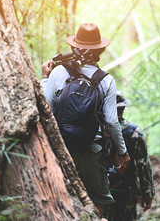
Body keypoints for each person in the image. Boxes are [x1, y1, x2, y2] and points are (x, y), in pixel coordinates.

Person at [41, 22, 130, 218]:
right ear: (99, 51)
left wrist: (45, 78)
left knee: (63, 198)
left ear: (74, 47)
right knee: (97, 200)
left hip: (61, 148)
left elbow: (46, 109)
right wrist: (122, 152)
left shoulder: (58, 72)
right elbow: (111, 122)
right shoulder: (106, 80)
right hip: (93, 149)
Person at [103, 91, 155, 221]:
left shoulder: (98, 130)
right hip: (127, 192)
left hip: (102, 191)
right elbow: (143, 166)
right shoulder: (135, 133)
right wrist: (147, 193)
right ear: (123, 108)